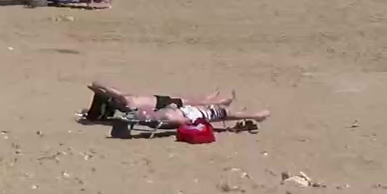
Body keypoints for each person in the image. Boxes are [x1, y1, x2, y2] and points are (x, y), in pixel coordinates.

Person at [83, 82, 265, 127]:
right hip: (163, 108)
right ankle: (218, 101)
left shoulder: (126, 102)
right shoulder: (127, 102)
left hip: (162, 105)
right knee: (196, 105)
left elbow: (97, 85)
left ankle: (217, 100)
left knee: (194, 103)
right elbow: (98, 85)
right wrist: (105, 89)